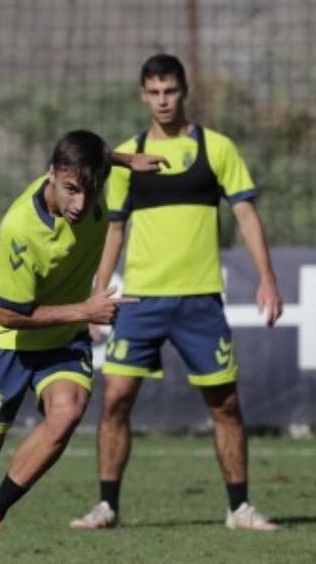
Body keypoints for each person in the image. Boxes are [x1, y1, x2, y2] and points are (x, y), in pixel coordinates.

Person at [0, 131, 164, 564]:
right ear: (52, 176)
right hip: (9, 341)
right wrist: (88, 308)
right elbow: (12, 315)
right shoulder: (20, 227)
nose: (80, 203)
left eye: (88, 190)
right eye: (70, 189)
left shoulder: (96, 183)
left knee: (68, 412)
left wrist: (126, 159)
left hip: (63, 336)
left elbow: (97, 158)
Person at [69, 54, 283, 533]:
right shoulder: (128, 155)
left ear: (184, 91)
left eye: (170, 91)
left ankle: (239, 507)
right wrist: (97, 294)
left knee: (224, 403)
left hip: (200, 301)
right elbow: (114, 231)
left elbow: (246, 215)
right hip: (141, 301)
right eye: (154, 92)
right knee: (115, 399)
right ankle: (106, 505)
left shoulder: (216, 148)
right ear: (143, 95)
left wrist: (267, 277)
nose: (163, 100)